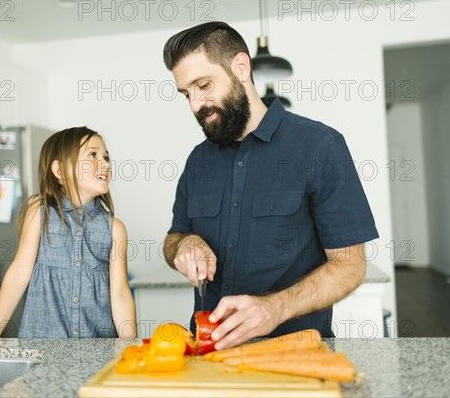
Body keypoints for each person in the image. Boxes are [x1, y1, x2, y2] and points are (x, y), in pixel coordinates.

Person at [162, 22, 379, 350]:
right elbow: (174, 237)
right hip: (209, 354)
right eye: (186, 93)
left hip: (295, 353)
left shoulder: (321, 147)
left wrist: (274, 308)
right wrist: (185, 244)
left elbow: (350, 266)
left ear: (240, 67)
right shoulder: (197, 161)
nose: (195, 104)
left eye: (203, 84)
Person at [0, 127, 137, 345]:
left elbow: (121, 294)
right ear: (60, 170)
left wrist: (130, 345)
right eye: (92, 155)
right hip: (42, 344)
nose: (105, 163)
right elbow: (19, 272)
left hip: (97, 349)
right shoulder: (40, 212)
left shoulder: (115, 229)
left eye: (106, 157)